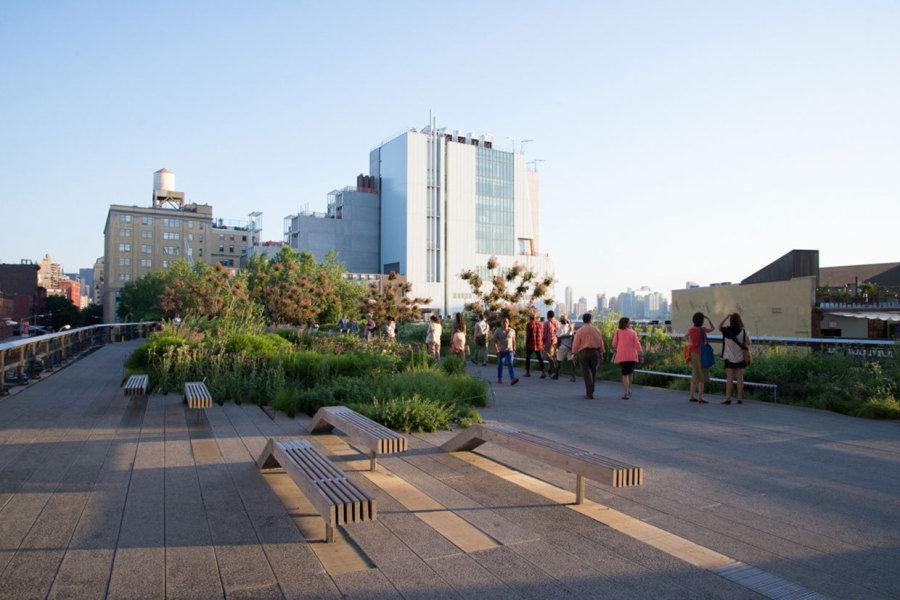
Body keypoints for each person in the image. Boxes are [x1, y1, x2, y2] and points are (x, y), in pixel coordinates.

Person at [572, 313, 605, 399]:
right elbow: (601, 343)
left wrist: (574, 353)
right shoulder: (596, 330)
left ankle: (589, 393)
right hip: (595, 352)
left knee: (586, 373)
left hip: (584, 352)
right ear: (590, 319)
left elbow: (576, 343)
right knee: (593, 371)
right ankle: (592, 388)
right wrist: (601, 353)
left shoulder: (580, 331)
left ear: (583, 320)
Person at [719, 313, 750, 404]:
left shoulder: (726, 330)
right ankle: (739, 398)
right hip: (740, 357)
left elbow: (719, 327)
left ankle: (728, 398)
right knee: (740, 378)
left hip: (728, 357)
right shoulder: (744, 332)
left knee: (729, 379)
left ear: (730, 321)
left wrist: (726, 317)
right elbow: (748, 342)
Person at [685, 312, 715, 403]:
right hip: (702, 354)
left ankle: (691, 395)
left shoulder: (691, 330)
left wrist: (690, 342)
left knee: (695, 374)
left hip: (693, 353)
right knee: (702, 376)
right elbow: (712, 328)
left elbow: (685, 336)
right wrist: (708, 319)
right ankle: (700, 397)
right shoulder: (702, 329)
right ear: (702, 321)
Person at [612, 317, 643, 399]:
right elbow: (637, 344)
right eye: (629, 322)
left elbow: (614, 344)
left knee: (624, 374)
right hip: (632, 356)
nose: (630, 324)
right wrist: (641, 353)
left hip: (622, 356)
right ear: (626, 324)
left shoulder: (617, 332)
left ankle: (626, 393)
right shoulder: (633, 332)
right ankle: (628, 390)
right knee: (630, 373)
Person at [492, 317, 519, 386]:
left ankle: (512, 379)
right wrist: (496, 350)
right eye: (503, 322)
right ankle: (500, 377)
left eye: (506, 322)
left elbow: (514, 341)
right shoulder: (498, 331)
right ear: (501, 323)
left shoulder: (512, 331)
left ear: (508, 323)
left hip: (509, 350)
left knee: (510, 364)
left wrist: (514, 349)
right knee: (500, 365)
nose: (505, 323)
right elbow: (494, 341)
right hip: (501, 351)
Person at [555, 315, 577, 381]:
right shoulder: (570, 326)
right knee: (571, 361)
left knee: (558, 361)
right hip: (570, 346)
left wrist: (557, 347)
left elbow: (559, 338)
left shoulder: (561, 327)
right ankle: (573, 376)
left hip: (563, 345)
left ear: (561, 320)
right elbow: (572, 335)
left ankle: (556, 375)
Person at [524, 312, 546, 378]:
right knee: (540, 358)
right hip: (539, 344)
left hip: (531, 344)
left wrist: (526, 344)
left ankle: (528, 372)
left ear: (529, 317)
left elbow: (528, 335)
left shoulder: (529, 324)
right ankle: (543, 372)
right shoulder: (540, 324)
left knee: (528, 358)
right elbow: (542, 333)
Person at [542, 310, 561, 379]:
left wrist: (543, 342)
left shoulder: (546, 323)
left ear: (548, 315)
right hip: (557, 342)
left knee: (549, 357)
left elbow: (544, 334)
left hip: (549, 342)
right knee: (554, 357)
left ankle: (556, 372)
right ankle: (550, 370)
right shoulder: (558, 323)